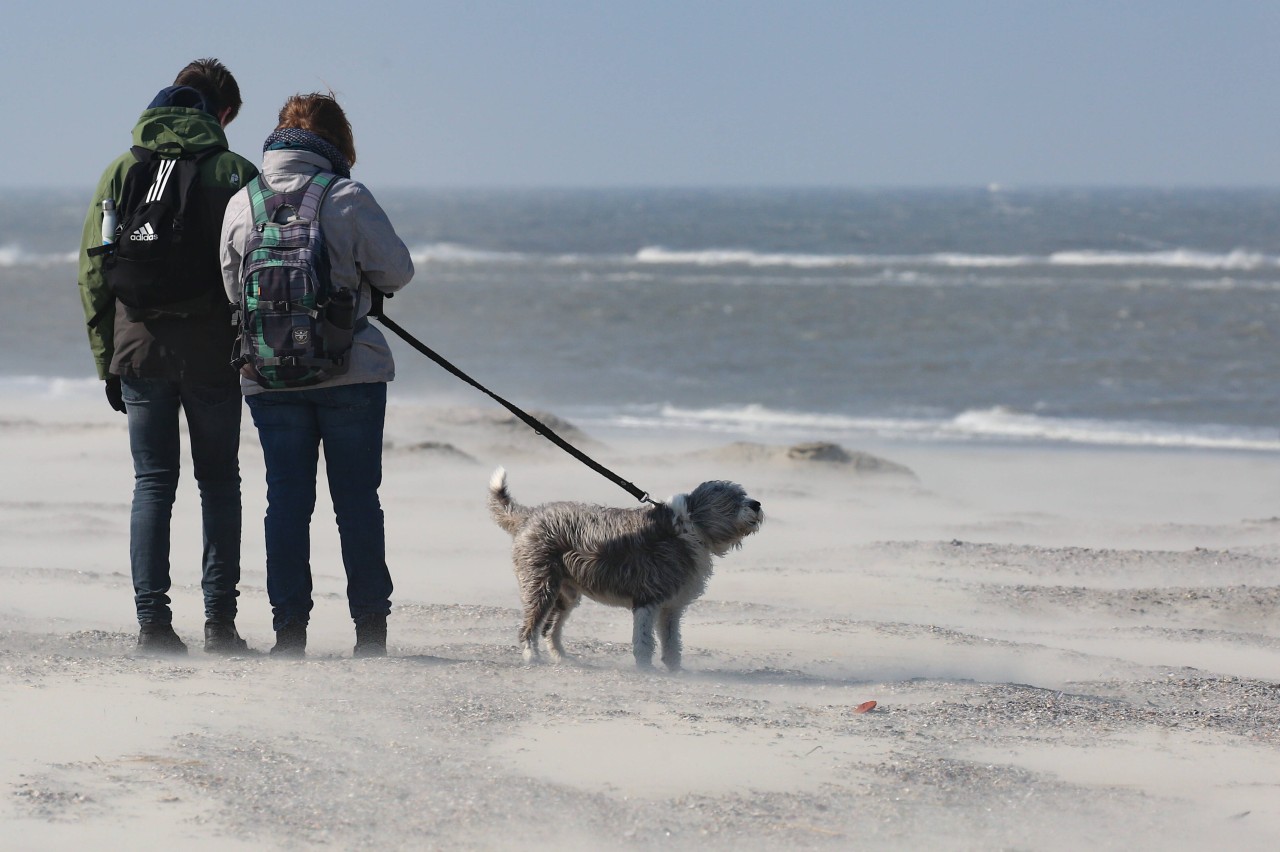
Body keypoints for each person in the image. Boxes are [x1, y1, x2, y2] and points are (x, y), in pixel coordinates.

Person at [220, 93, 415, 658]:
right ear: (337, 143)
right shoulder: (347, 196)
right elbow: (397, 271)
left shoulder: (241, 202)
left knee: (285, 501)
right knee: (356, 501)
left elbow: (234, 291)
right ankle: (370, 634)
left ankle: (289, 633)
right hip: (350, 369)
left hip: (269, 378)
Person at [77, 59, 259, 656]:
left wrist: (107, 357)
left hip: (139, 348)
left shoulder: (123, 168)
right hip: (214, 352)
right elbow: (258, 269)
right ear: (222, 112)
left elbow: (95, 273)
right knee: (220, 484)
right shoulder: (236, 171)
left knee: (153, 484)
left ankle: (153, 626)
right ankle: (221, 625)